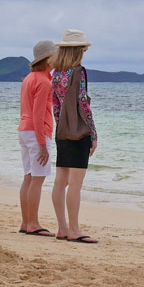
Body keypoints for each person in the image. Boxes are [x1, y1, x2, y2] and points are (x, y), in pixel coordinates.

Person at [49, 29, 98, 243]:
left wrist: (59, 127)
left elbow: (56, 105)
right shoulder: (79, 71)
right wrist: (93, 133)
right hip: (79, 131)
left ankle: (62, 227)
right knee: (76, 183)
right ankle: (74, 230)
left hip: (62, 131)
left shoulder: (57, 73)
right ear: (79, 51)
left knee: (61, 181)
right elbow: (83, 104)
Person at [18, 39, 58, 236]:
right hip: (36, 132)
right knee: (37, 178)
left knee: (28, 177)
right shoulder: (44, 82)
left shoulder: (29, 78)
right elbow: (39, 114)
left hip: (24, 131)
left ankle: (26, 222)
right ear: (49, 58)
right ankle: (32, 223)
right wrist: (43, 144)